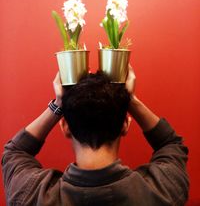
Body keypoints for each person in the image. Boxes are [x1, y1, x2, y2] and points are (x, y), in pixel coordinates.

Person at [2, 66, 189, 206]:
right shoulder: (164, 191)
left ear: (65, 126)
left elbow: (15, 151)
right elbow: (170, 143)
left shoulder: (31, 196)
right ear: (125, 124)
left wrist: (58, 104)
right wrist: (130, 100)